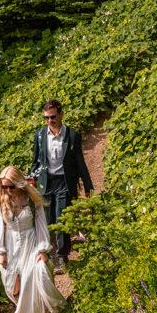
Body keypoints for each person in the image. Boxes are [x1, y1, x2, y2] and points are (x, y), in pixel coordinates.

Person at [0, 165, 65, 313]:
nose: (8, 190)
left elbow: (40, 225)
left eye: (11, 186)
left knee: (32, 277)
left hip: (30, 241)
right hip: (10, 245)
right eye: (5, 186)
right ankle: (26, 311)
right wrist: (0, 252)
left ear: (19, 184)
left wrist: (43, 250)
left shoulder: (31, 199)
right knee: (13, 286)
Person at [31, 99, 93, 273]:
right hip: (46, 182)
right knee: (47, 220)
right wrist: (31, 181)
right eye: (46, 118)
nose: (50, 121)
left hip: (65, 182)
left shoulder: (72, 135)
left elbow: (80, 162)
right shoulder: (40, 135)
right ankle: (48, 256)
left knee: (61, 219)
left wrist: (88, 186)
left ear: (61, 114)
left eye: (52, 117)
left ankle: (62, 258)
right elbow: (36, 161)